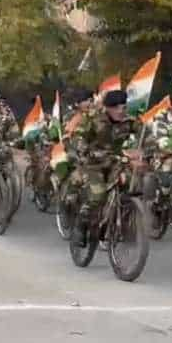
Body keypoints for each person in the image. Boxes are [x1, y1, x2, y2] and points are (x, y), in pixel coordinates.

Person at [66, 90, 143, 246]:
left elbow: (146, 135)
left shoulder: (130, 120)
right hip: (93, 164)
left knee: (131, 183)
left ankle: (122, 222)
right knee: (97, 195)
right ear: (108, 108)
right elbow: (78, 138)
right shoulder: (93, 118)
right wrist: (85, 150)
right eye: (117, 108)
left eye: (123, 107)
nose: (121, 111)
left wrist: (150, 151)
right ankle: (80, 227)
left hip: (115, 161)